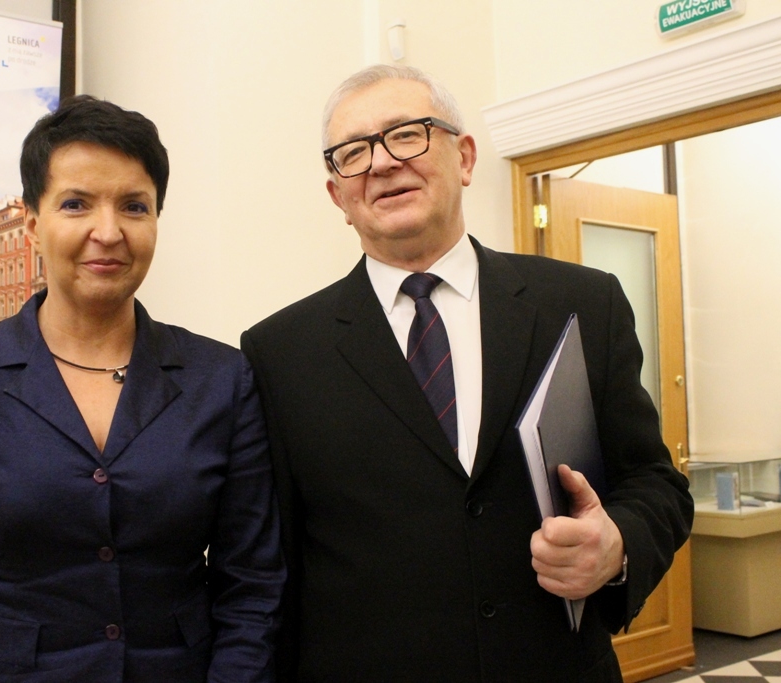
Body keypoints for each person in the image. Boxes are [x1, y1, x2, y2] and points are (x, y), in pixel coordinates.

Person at [240, 65, 693, 682]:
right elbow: (272, 561)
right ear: (337, 196)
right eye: (353, 153)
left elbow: (654, 482)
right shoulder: (279, 352)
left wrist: (617, 545)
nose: (381, 163)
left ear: (466, 157)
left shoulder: (582, 304)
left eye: (407, 134)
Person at [0, 95, 285, 683]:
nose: (108, 232)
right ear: (34, 225)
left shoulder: (220, 378)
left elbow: (253, 586)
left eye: (134, 206)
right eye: (76, 204)